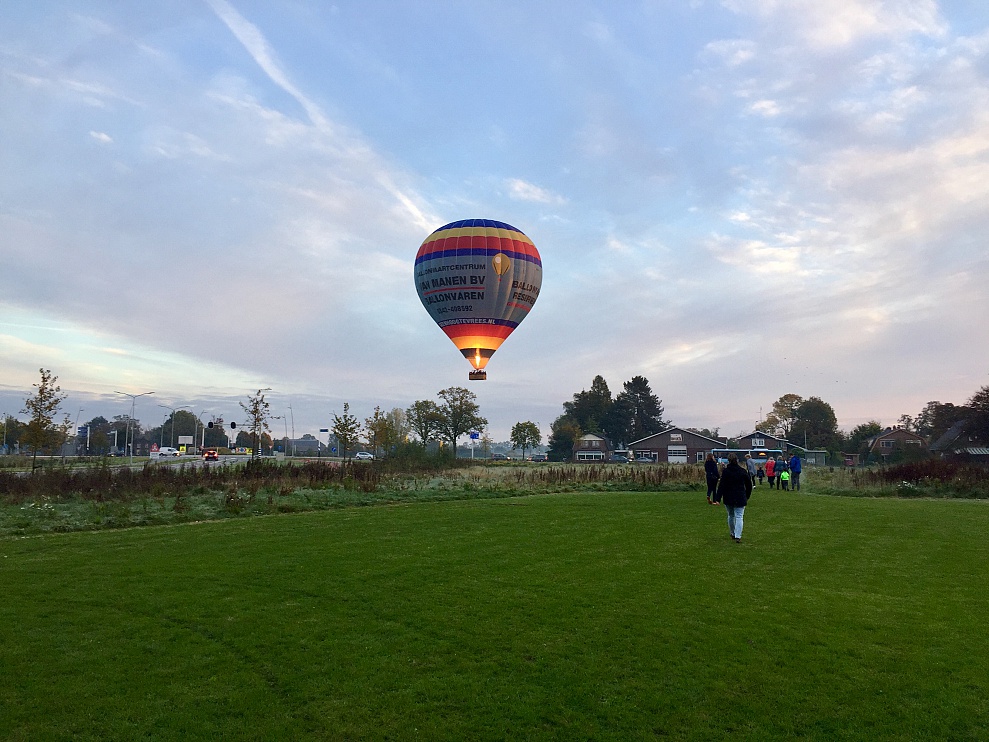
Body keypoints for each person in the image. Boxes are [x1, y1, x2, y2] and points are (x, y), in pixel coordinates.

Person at [713, 453, 752, 543]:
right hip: (740, 496)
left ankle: (732, 533)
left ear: (728, 460)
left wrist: (718, 498)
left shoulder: (726, 471)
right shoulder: (742, 471)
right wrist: (747, 496)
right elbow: (749, 485)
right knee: (739, 516)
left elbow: (721, 485)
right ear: (737, 460)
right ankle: (738, 536)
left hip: (728, 496)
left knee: (731, 515)